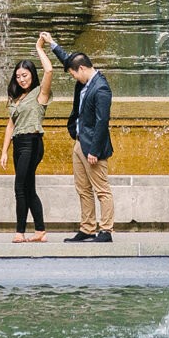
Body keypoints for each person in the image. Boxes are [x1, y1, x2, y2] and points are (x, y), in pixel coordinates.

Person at [39, 31, 113, 242]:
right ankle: (88, 228)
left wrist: (95, 150)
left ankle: (106, 230)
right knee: (82, 189)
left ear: (82, 69)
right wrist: (52, 44)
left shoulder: (101, 89)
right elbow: (69, 61)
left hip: (93, 147)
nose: (72, 77)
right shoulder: (84, 80)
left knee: (101, 189)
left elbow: (102, 121)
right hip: (80, 142)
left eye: (73, 73)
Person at [0, 52, 52, 242]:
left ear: (32, 75)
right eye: (18, 76)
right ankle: (40, 231)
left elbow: (49, 70)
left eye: (25, 75)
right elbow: (10, 125)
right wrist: (4, 151)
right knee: (29, 188)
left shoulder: (40, 93)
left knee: (19, 187)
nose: (21, 80)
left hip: (32, 141)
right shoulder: (15, 97)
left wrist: (40, 47)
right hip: (19, 144)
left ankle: (19, 232)